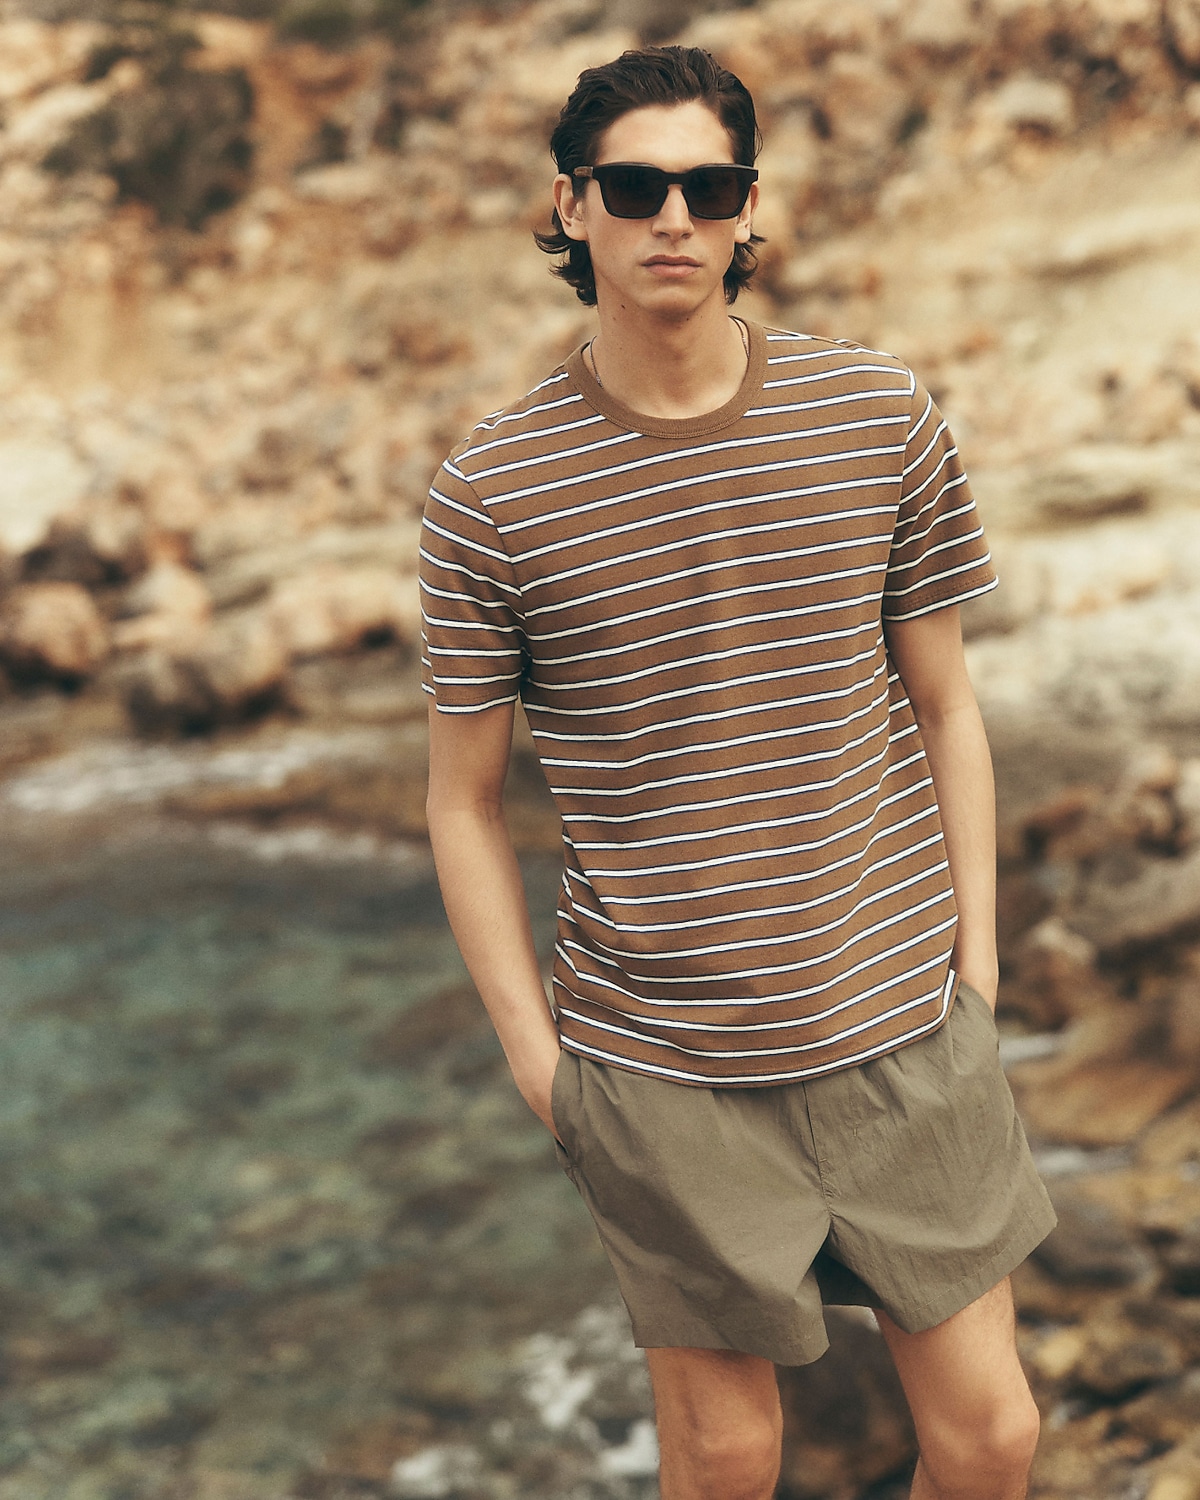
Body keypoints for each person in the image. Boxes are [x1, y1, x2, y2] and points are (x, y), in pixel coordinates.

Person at [420, 43, 1055, 1500]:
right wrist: (538, 1060)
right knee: (724, 1456)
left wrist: (981, 959)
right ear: (572, 206)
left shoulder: (875, 413)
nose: (673, 219)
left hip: (898, 1013)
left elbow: (946, 703)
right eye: (635, 187)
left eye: (707, 188)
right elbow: (461, 803)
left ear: (747, 207)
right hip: (663, 1067)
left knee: (996, 1435)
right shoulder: (491, 495)